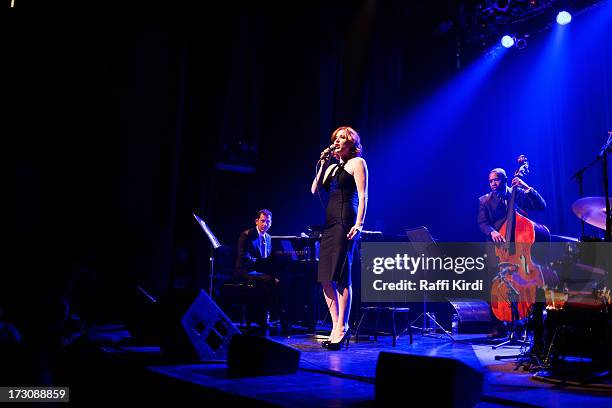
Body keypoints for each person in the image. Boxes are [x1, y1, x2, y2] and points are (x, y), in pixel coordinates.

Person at [311, 126, 368, 350]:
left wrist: (360, 223)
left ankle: (343, 326)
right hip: (330, 224)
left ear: (352, 143)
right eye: (335, 138)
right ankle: (336, 325)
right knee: (325, 277)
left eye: (343, 138)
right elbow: (315, 189)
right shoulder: (333, 167)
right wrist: (325, 162)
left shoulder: (357, 163)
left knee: (342, 276)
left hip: (346, 221)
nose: (338, 141)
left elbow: (363, 195)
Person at [235, 209, 279, 328]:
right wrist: (261, 264)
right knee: (269, 280)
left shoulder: (269, 237)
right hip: (245, 270)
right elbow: (244, 257)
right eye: (263, 221)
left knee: (278, 280)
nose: (265, 224)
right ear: (256, 221)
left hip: (259, 271)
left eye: (268, 222)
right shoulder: (247, 235)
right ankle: (262, 318)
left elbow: (268, 258)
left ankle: (273, 316)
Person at [477, 168, 546, 242]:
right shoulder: (484, 201)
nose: (493, 184)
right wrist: (492, 232)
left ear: (505, 180)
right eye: (491, 181)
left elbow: (541, 206)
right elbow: (482, 222)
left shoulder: (518, 193)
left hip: (520, 240)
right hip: (497, 244)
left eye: (496, 180)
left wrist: (526, 187)